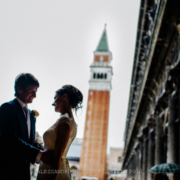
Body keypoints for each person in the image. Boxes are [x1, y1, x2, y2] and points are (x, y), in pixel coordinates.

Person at [0, 73, 53, 180]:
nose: (35, 95)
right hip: (7, 170)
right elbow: (10, 139)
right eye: (32, 91)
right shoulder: (7, 108)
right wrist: (38, 154)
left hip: (24, 172)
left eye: (36, 92)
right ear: (20, 89)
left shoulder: (31, 115)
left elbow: (28, 141)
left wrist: (43, 149)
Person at [37, 85, 83, 180]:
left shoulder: (65, 122)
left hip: (53, 174)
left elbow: (57, 156)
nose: (53, 103)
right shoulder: (67, 120)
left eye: (55, 98)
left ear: (64, 97)